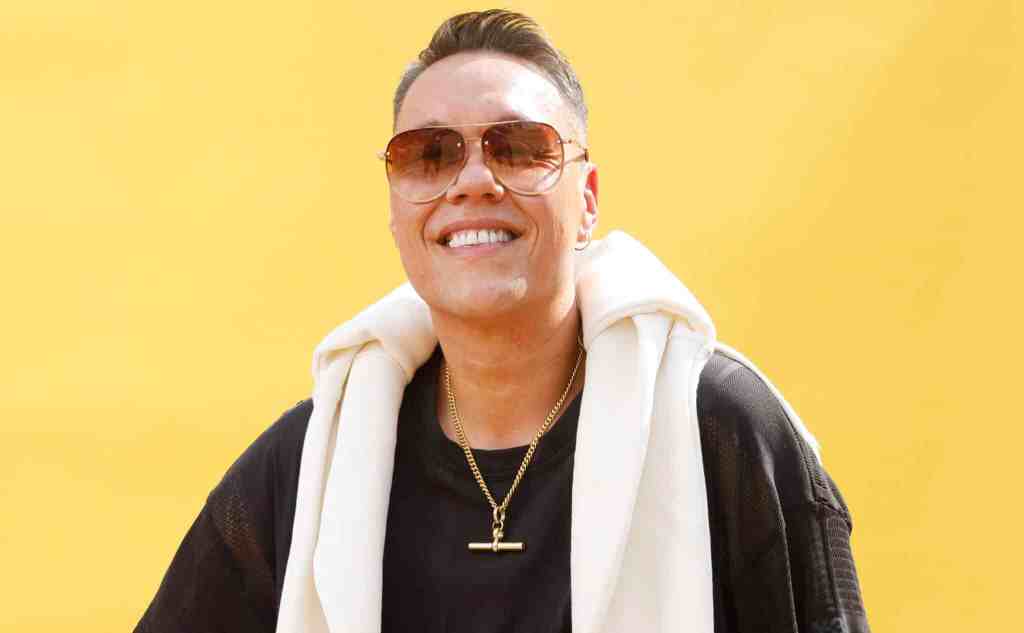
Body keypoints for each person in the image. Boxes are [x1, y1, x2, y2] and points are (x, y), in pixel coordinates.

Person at [134, 9, 870, 633]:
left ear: (587, 200)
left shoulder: (721, 432)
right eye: (429, 155)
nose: (474, 181)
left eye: (518, 149)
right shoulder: (310, 466)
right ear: (395, 208)